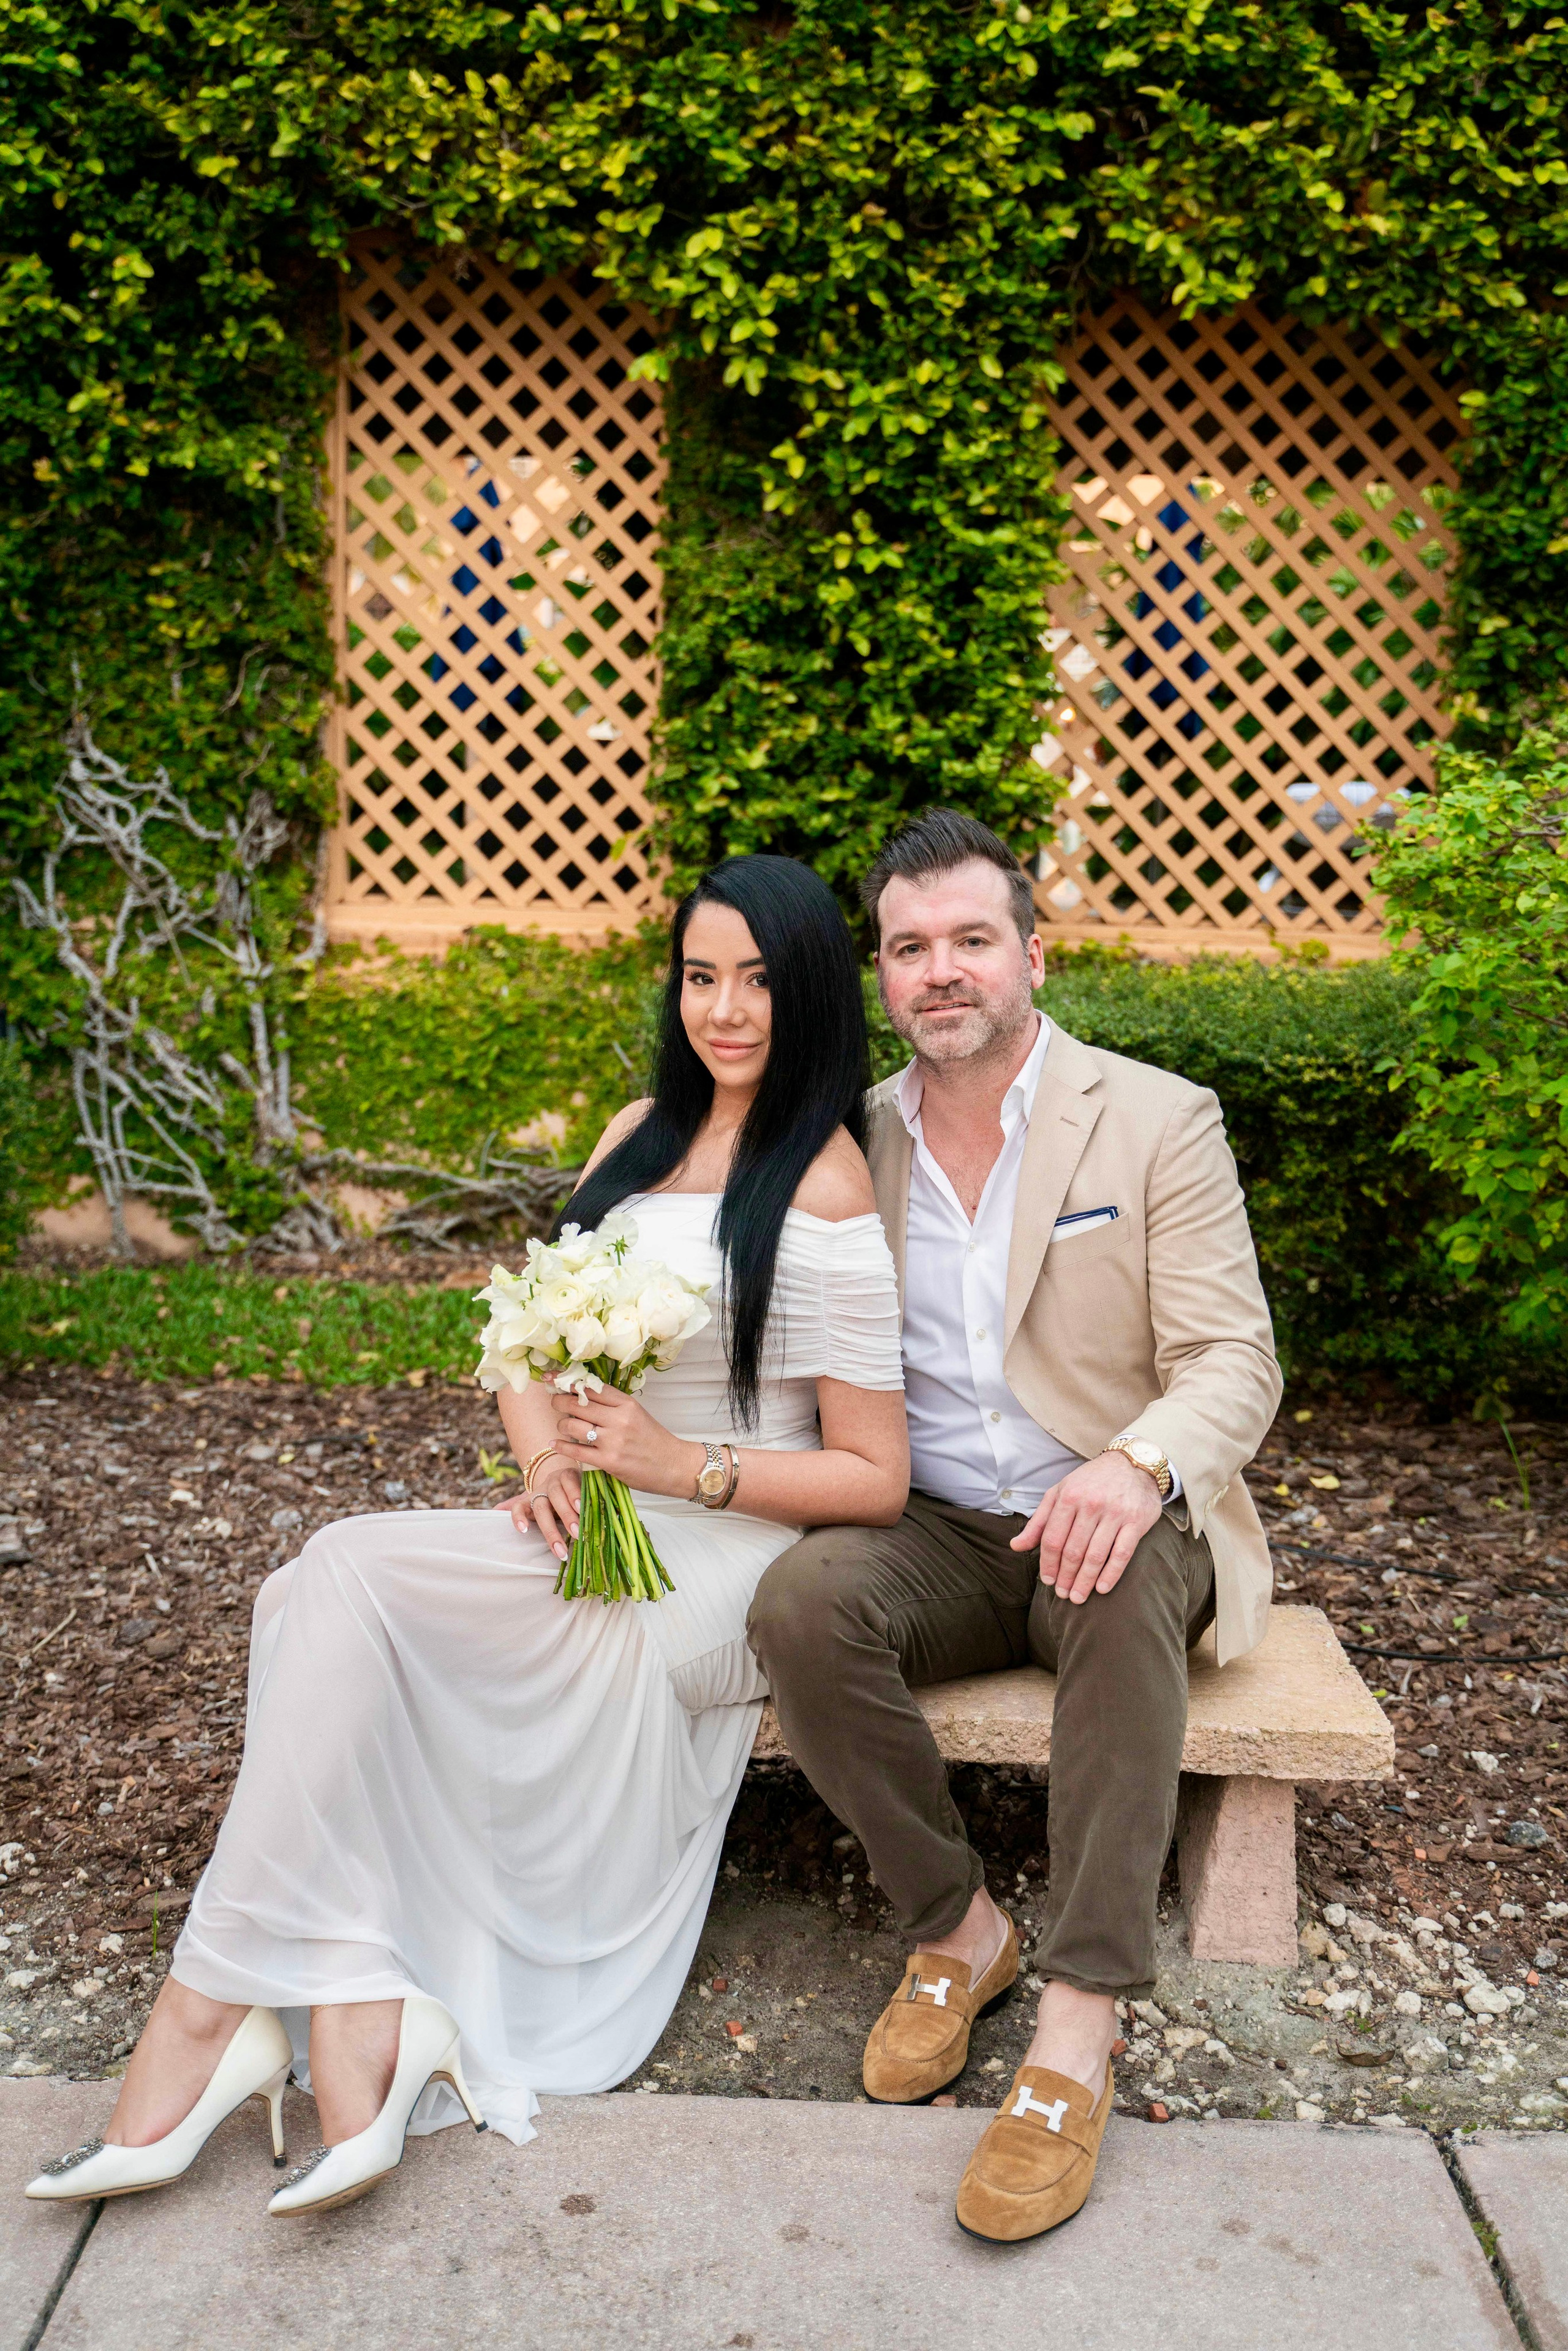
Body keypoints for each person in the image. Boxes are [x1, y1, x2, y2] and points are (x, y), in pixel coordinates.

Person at [27, 855, 908, 2216]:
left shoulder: (829, 1182)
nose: (724, 1010)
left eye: (757, 981)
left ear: (809, 996)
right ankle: (355, 2003)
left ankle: (217, 2023)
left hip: (718, 1550)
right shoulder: (634, 1131)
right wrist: (548, 1452)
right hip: (591, 1516)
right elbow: (522, 1329)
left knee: (337, 1590)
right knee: (326, 1577)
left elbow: (874, 1476)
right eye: (698, 975)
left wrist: (686, 1464)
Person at [748, 808, 1281, 2243]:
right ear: (880, 973)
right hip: (931, 1520)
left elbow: (1234, 1358)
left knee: (1118, 1598)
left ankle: (1078, 2018)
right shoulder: (852, 1134)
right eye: (908, 947)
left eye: (969, 939)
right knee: (799, 1608)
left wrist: (1136, 1464)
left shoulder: (1154, 1116)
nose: (940, 971)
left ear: (1029, 952)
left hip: (1108, 1505)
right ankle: (953, 1928)